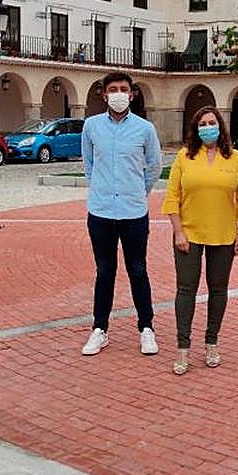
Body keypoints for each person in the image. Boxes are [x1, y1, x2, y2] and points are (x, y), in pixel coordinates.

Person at [161, 106, 238, 375]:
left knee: (218, 289)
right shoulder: (184, 156)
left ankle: (212, 342)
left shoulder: (234, 158)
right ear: (195, 129)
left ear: (220, 126)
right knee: (185, 289)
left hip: (224, 235)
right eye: (202, 124)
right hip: (188, 235)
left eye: (212, 123)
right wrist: (178, 232)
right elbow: (172, 196)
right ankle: (183, 347)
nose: (207, 127)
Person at [80, 71, 163, 356]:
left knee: (138, 270)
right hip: (101, 211)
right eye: (112, 89)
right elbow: (89, 164)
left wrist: (138, 191)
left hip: (133, 212)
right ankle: (99, 329)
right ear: (104, 95)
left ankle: (146, 328)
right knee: (104, 272)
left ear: (132, 94)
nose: (118, 94)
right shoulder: (91, 126)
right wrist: (101, 188)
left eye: (123, 89)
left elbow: (154, 166)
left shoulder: (144, 129)